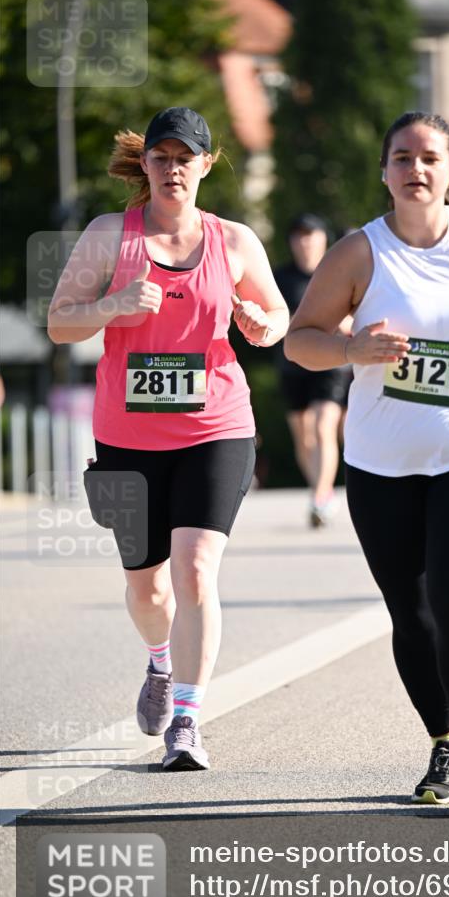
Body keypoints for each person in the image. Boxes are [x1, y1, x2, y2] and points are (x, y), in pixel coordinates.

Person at [285, 111, 449, 811]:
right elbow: (299, 340)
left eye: (430, 157)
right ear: (384, 171)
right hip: (380, 462)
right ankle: (442, 745)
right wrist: (347, 350)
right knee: (411, 611)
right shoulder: (356, 253)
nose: (416, 169)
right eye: (401, 157)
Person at [47, 107, 288, 770]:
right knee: (148, 589)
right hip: (127, 436)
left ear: (206, 166)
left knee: (194, 571)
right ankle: (159, 662)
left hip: (217, 426)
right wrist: (113, 307)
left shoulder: (234, 240)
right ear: (145, 164)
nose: (173, 167)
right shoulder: (107, 236)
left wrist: (261, 324)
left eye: (187, 157)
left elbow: (279, 315)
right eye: (162, 156)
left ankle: (186, 720)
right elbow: (60, 324)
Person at [274, 214, 352, 527]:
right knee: (304, 437)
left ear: (323, 240)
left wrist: (342, 325)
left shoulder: (337, 271)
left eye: (312, 235)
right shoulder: (281, 277)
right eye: (299, 236)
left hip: (332, 360)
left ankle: (319, 498)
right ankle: (323, 490)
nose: (305, 242)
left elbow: (356, 312)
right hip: (292, 365)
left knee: (324, 426)